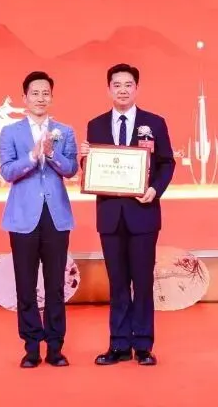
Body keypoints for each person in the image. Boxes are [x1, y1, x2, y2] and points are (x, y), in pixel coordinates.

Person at [80, 63, 176, 366]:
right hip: (110, 216)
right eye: (117, 85)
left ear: (136, 88)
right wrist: (85, 161)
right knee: (118, 282)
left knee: (143, 282)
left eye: (128, 85)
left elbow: (167, 163)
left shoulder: (154, 123)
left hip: (143, 213)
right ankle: (119, 344)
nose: (122, 90)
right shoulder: (95, 125)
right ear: (109, 89)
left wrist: (155, 190)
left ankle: (143, 345)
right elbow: (94, 170)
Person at [0, 71, 79, 368]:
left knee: (56, 285)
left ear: (52, 97)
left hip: (56, 217)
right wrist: (33, 156)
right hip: (23, 218)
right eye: (35, 93)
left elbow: (71, 169)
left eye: (46, 93)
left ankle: (55, 347)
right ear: (25, 98)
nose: (40, 98)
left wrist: (52, 153)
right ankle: (31, 347)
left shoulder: (65, 131)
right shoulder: (10, 132)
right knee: (25, 284)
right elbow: (7, 172)